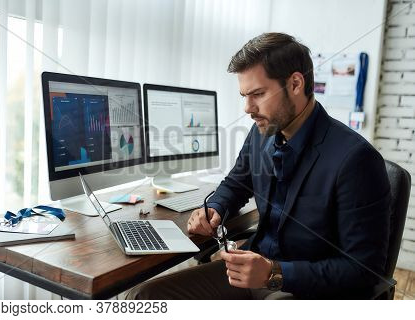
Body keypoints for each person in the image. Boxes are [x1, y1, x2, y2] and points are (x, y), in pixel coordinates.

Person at [127, 32, 390, 299]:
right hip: (254, 269)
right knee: (146, 296)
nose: (247, 108)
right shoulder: (262, 132)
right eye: (244, 95)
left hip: (307, 288)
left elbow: (363, 271)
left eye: (258, 94)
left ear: (295, 83)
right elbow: (236, 183)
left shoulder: (355, 159)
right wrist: (216, 207)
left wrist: (273, 273)